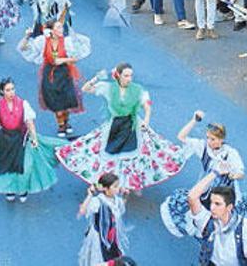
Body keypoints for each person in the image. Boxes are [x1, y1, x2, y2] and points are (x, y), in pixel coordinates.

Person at [56, 63, 186, 192]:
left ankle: (125, 183)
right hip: (114, 126)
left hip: (132, 124)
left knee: (137, 155)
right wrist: (97, 78)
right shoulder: (108, 88)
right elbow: (85, 89)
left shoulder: (137, 89)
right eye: (126, 75)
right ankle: (110, 182)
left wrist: (146, 120)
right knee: (107, 154)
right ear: (118, 75)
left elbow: (147, 106)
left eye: (131, 75)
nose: (129, 78)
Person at [161, 111, 247, 240]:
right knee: (201, 216)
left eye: (213, 139)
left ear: (221, 139)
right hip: (205, 189)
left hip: (224, 193)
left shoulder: (230, 153)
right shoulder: (203, 147)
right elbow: (181, 137)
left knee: (224, 220)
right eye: (208, 138)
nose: (209, 141)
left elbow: (241, 173)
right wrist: (194, 120)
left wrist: (232, 174)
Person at [0, 78, 61, 203]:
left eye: (13, 89)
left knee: (25, 166)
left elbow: (29, 122)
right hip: (5, 140)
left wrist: (34, 138)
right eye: (8, 90)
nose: (11, 92)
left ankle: (23, 189)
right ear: (2, 92)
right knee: (7, 167)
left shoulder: (23, 104)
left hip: (22, 139)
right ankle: (10, 189)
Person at [18, 19, 89, 138]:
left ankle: (66, 122)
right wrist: (27, 36)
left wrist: (63, 60)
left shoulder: (66, 42)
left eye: (61, 27)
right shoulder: (42, 42)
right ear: (50, 31)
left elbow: (75, 58)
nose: (61, 30)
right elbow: (24, 48)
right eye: (58, 28)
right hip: (50, 75)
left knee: (67, 101)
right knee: (56, 102)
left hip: (64, 74)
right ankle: (61, 125)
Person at [188, 171, 247, 266]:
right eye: (211, 202)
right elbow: (192, 197)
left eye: (217, 204)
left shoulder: (244, 226)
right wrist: (215, 172)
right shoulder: (206, 220)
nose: (212, 208)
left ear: (229, 207)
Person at [78, 173, 128, 266]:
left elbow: (119, 210)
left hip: (112, 235)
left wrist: (125, 196)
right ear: (106, 188)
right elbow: (82, 211)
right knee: (100, 257)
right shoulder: (98, 201)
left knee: (112, 256)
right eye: (115, 186)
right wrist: (90, 195)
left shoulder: (116, 199)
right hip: (100, 236)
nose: (118, 189)